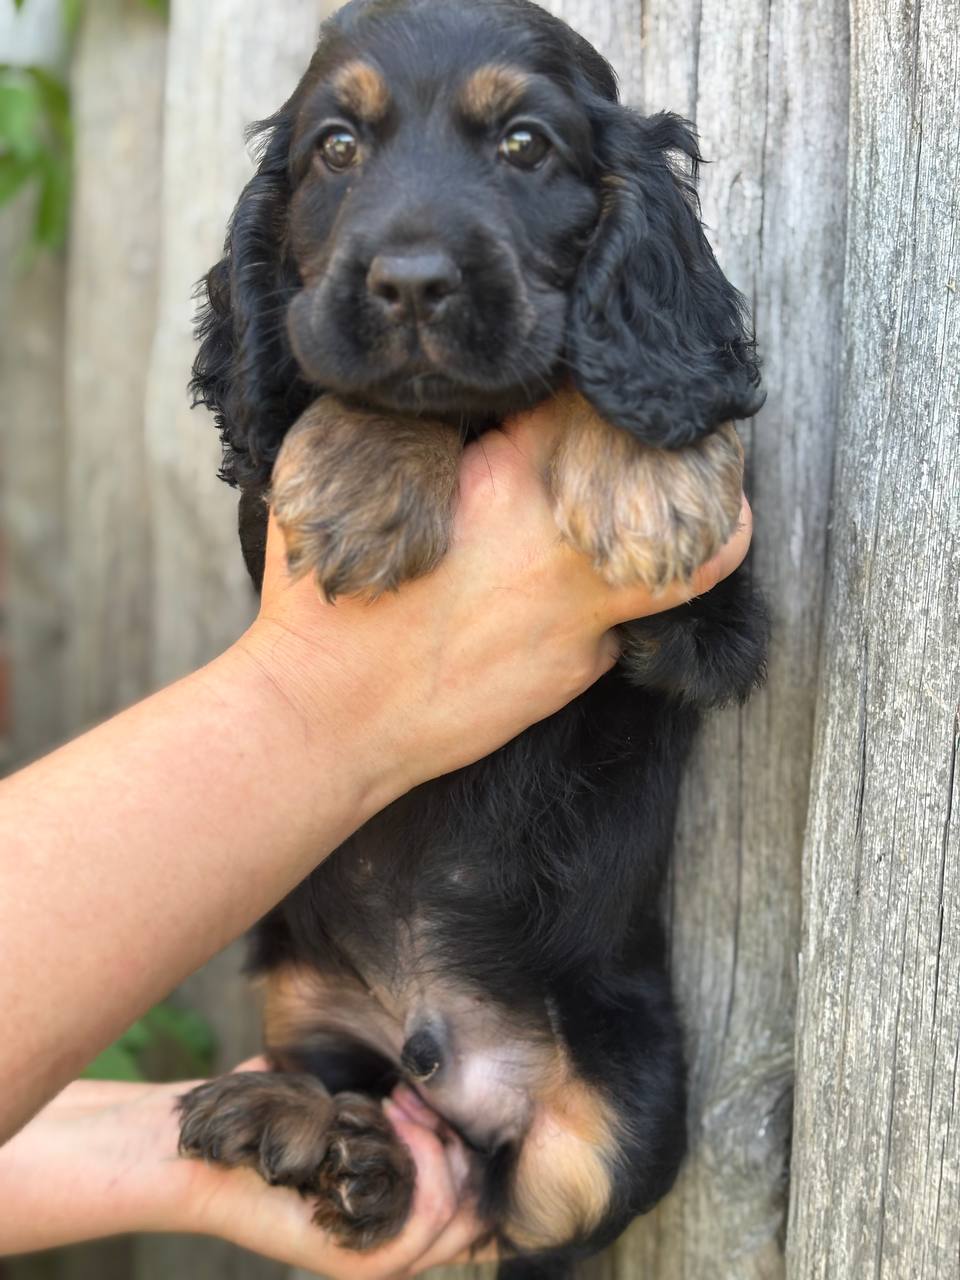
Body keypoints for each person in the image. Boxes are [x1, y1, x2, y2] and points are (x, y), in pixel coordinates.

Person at [0, 405, 752, 1275]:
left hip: (555, 1025)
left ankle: (361, 1139)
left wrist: (163, 1156)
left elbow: (713, 639)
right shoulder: (353, 428)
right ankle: (358, 1138)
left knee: (575, 1181)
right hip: (347, 988)